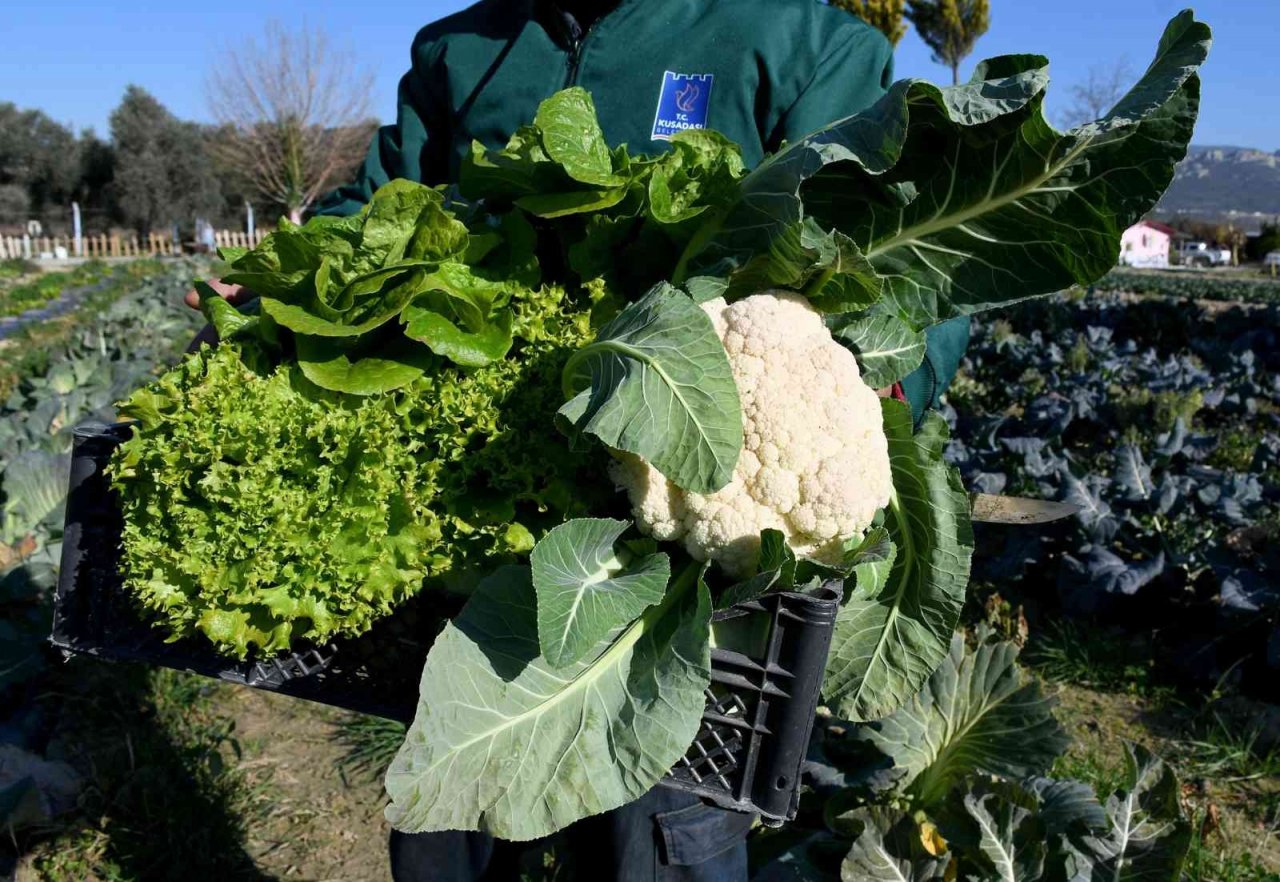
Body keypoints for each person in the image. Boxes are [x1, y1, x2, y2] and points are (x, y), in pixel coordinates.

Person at [190, 0, 968, 877]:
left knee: (655, 841)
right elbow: (379, 206)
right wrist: (272, 288)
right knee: (452, 825)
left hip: (674, 604)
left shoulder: (800, 44)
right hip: (481, 552)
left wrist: (870, 382)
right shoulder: (461, 49)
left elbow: (921, 278)